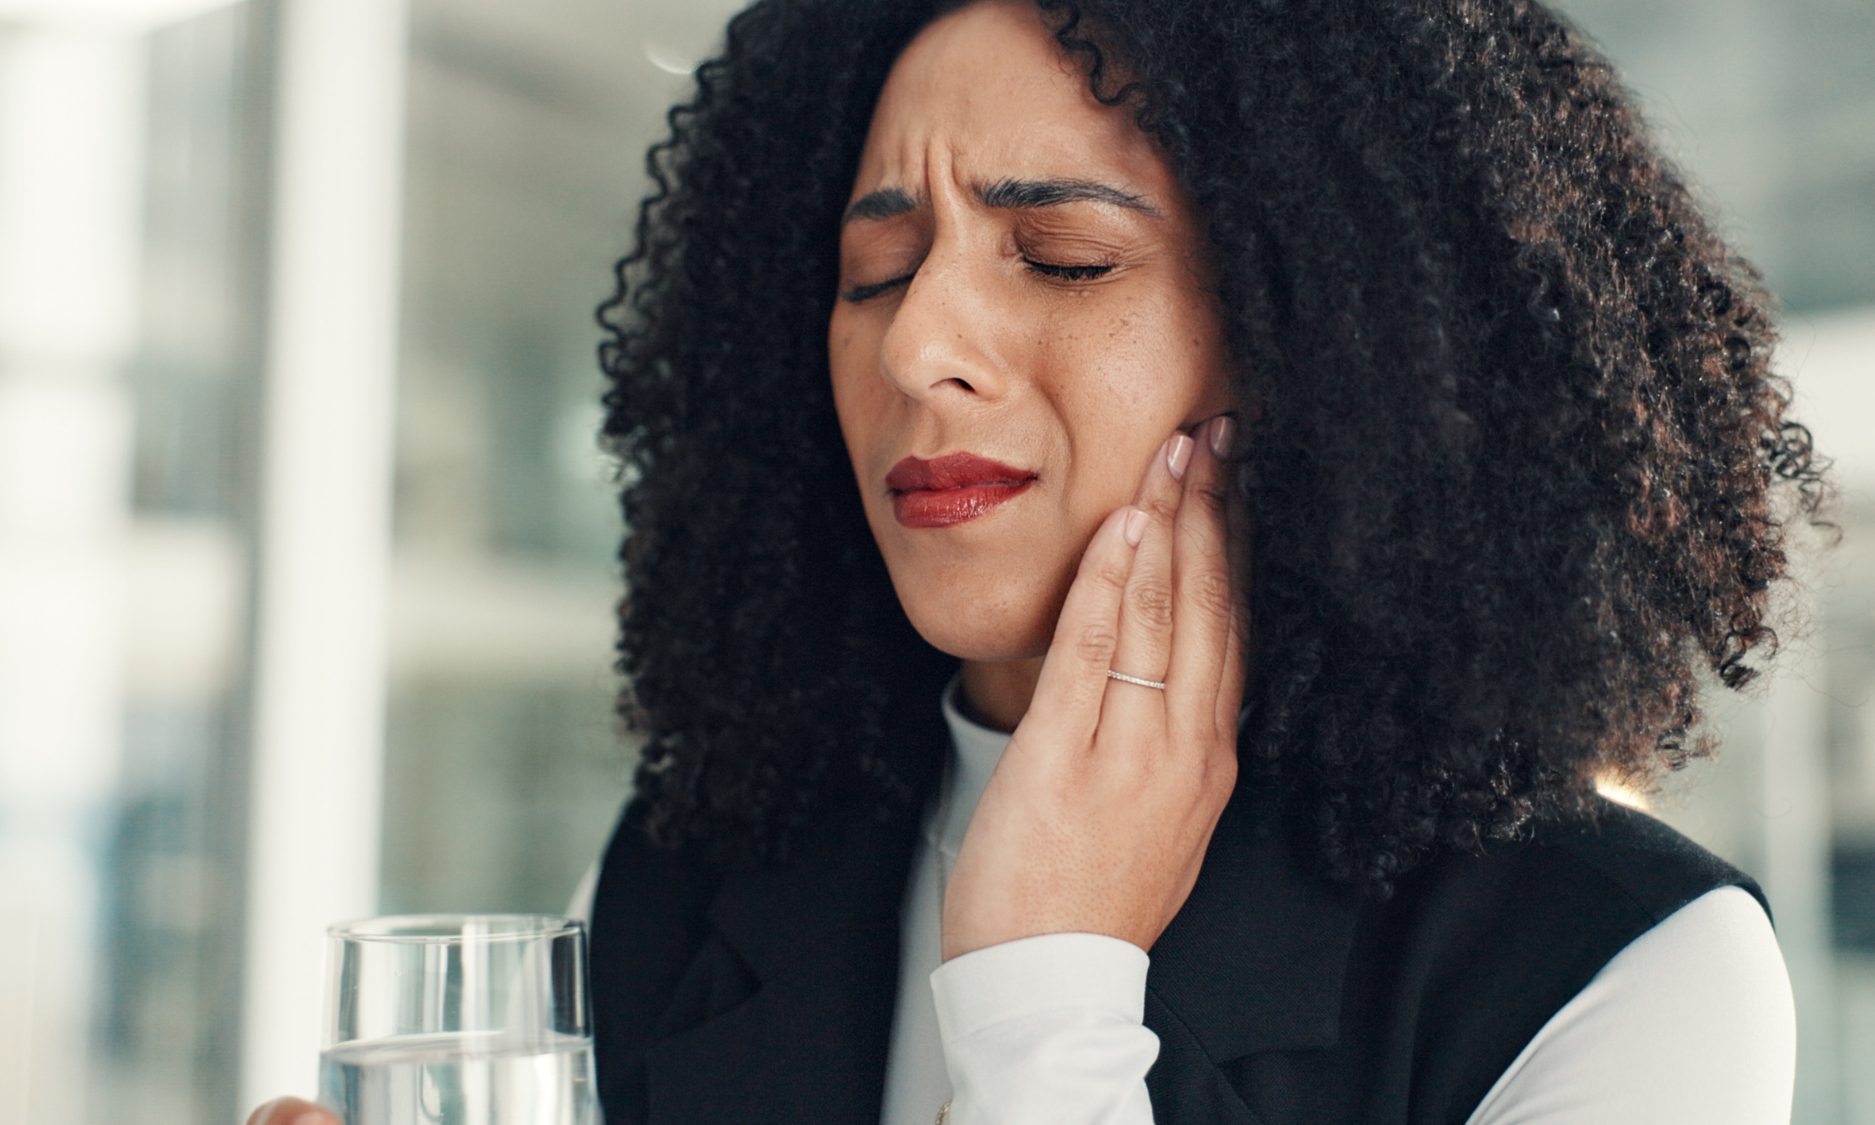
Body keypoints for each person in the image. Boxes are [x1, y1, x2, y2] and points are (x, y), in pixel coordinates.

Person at [251, 0, 1822, 1123]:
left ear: (1328, 344)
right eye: (873, 270)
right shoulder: (697, 859)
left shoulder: (1615, 969)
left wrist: (1045, 1000)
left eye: (1061, 258)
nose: (918, 344)